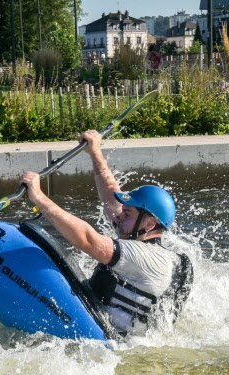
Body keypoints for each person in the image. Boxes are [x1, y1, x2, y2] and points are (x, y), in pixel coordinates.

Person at [19, 130, 193, 338]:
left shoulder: (143, 257)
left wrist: (39, 197)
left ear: (149, 223)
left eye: (127, 213)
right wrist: (95, 153)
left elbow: (88, 239)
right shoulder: (141, 237)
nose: (119, 216)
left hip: (118, 347)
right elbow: (112, 201)